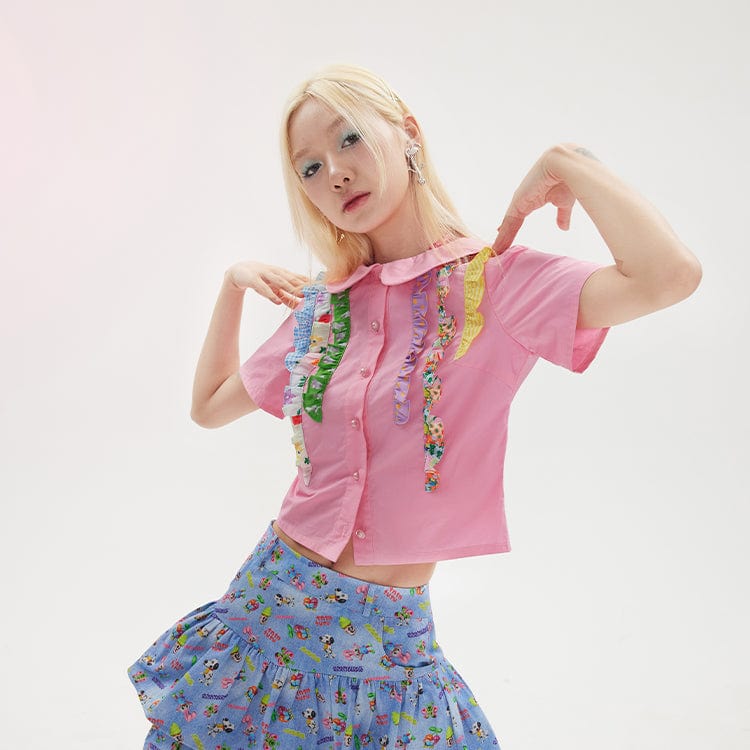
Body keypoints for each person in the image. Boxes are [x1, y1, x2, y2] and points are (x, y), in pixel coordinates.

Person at [127, 64, 701, 749]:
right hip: (270, 608)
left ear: (407, 134)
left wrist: (568, 162)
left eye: (348, 139)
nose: (335, 174)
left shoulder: (497, 283)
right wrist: (232, 286)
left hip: (393, 643)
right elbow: (210, 406)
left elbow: (669, 276)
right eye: (310, 168)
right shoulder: (327, 308)